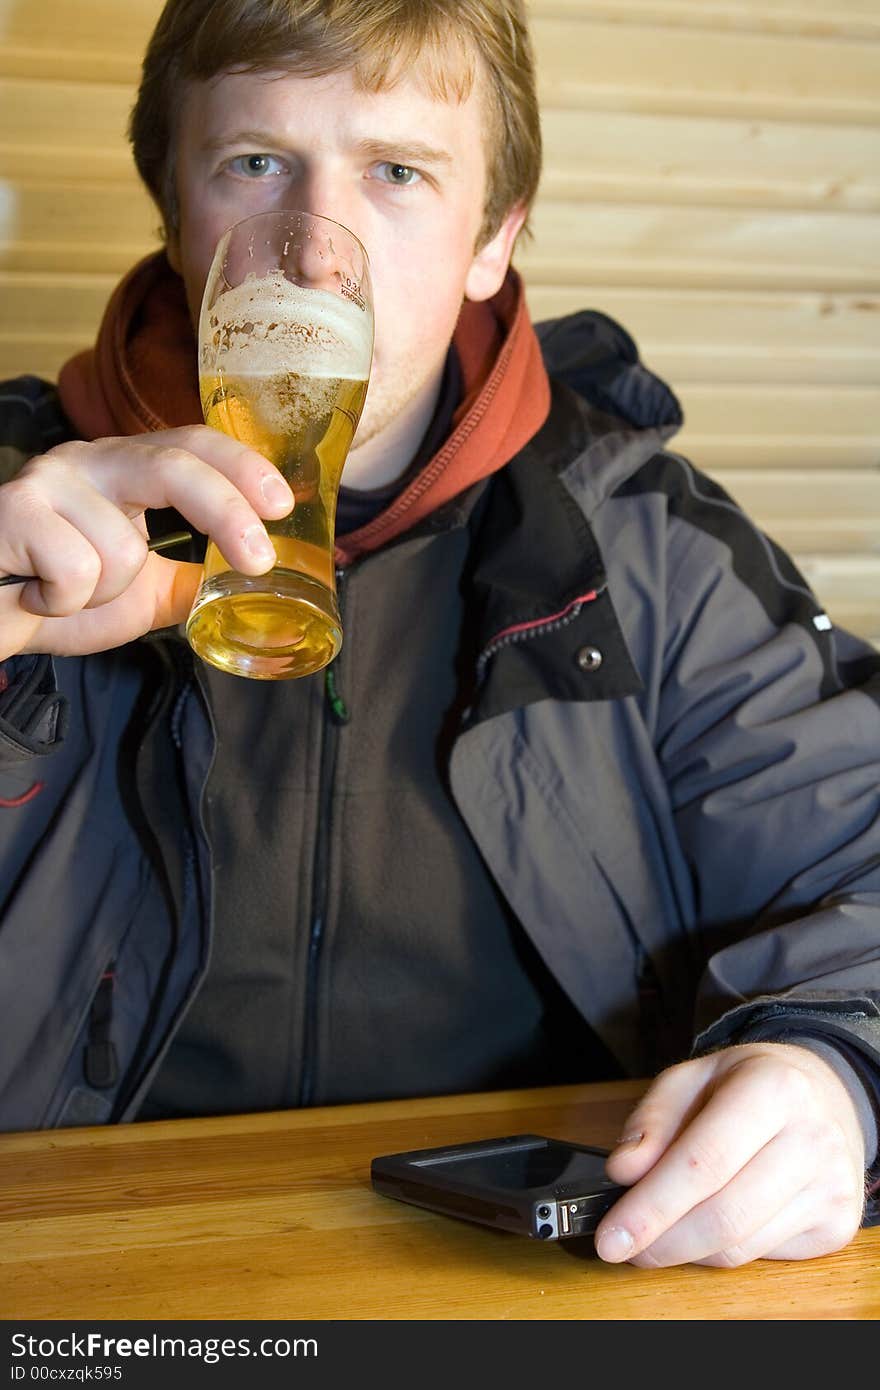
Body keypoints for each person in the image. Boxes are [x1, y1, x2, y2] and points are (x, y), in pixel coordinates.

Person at [0, 0, 877, 1272]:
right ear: (175, 214)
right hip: (84, 1272)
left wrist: (833, 1067)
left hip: (521, 1276)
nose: (315, 256)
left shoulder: (643, 546)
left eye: (397, 172)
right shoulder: (16, 505)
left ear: (492, 240)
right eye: (254, 165)